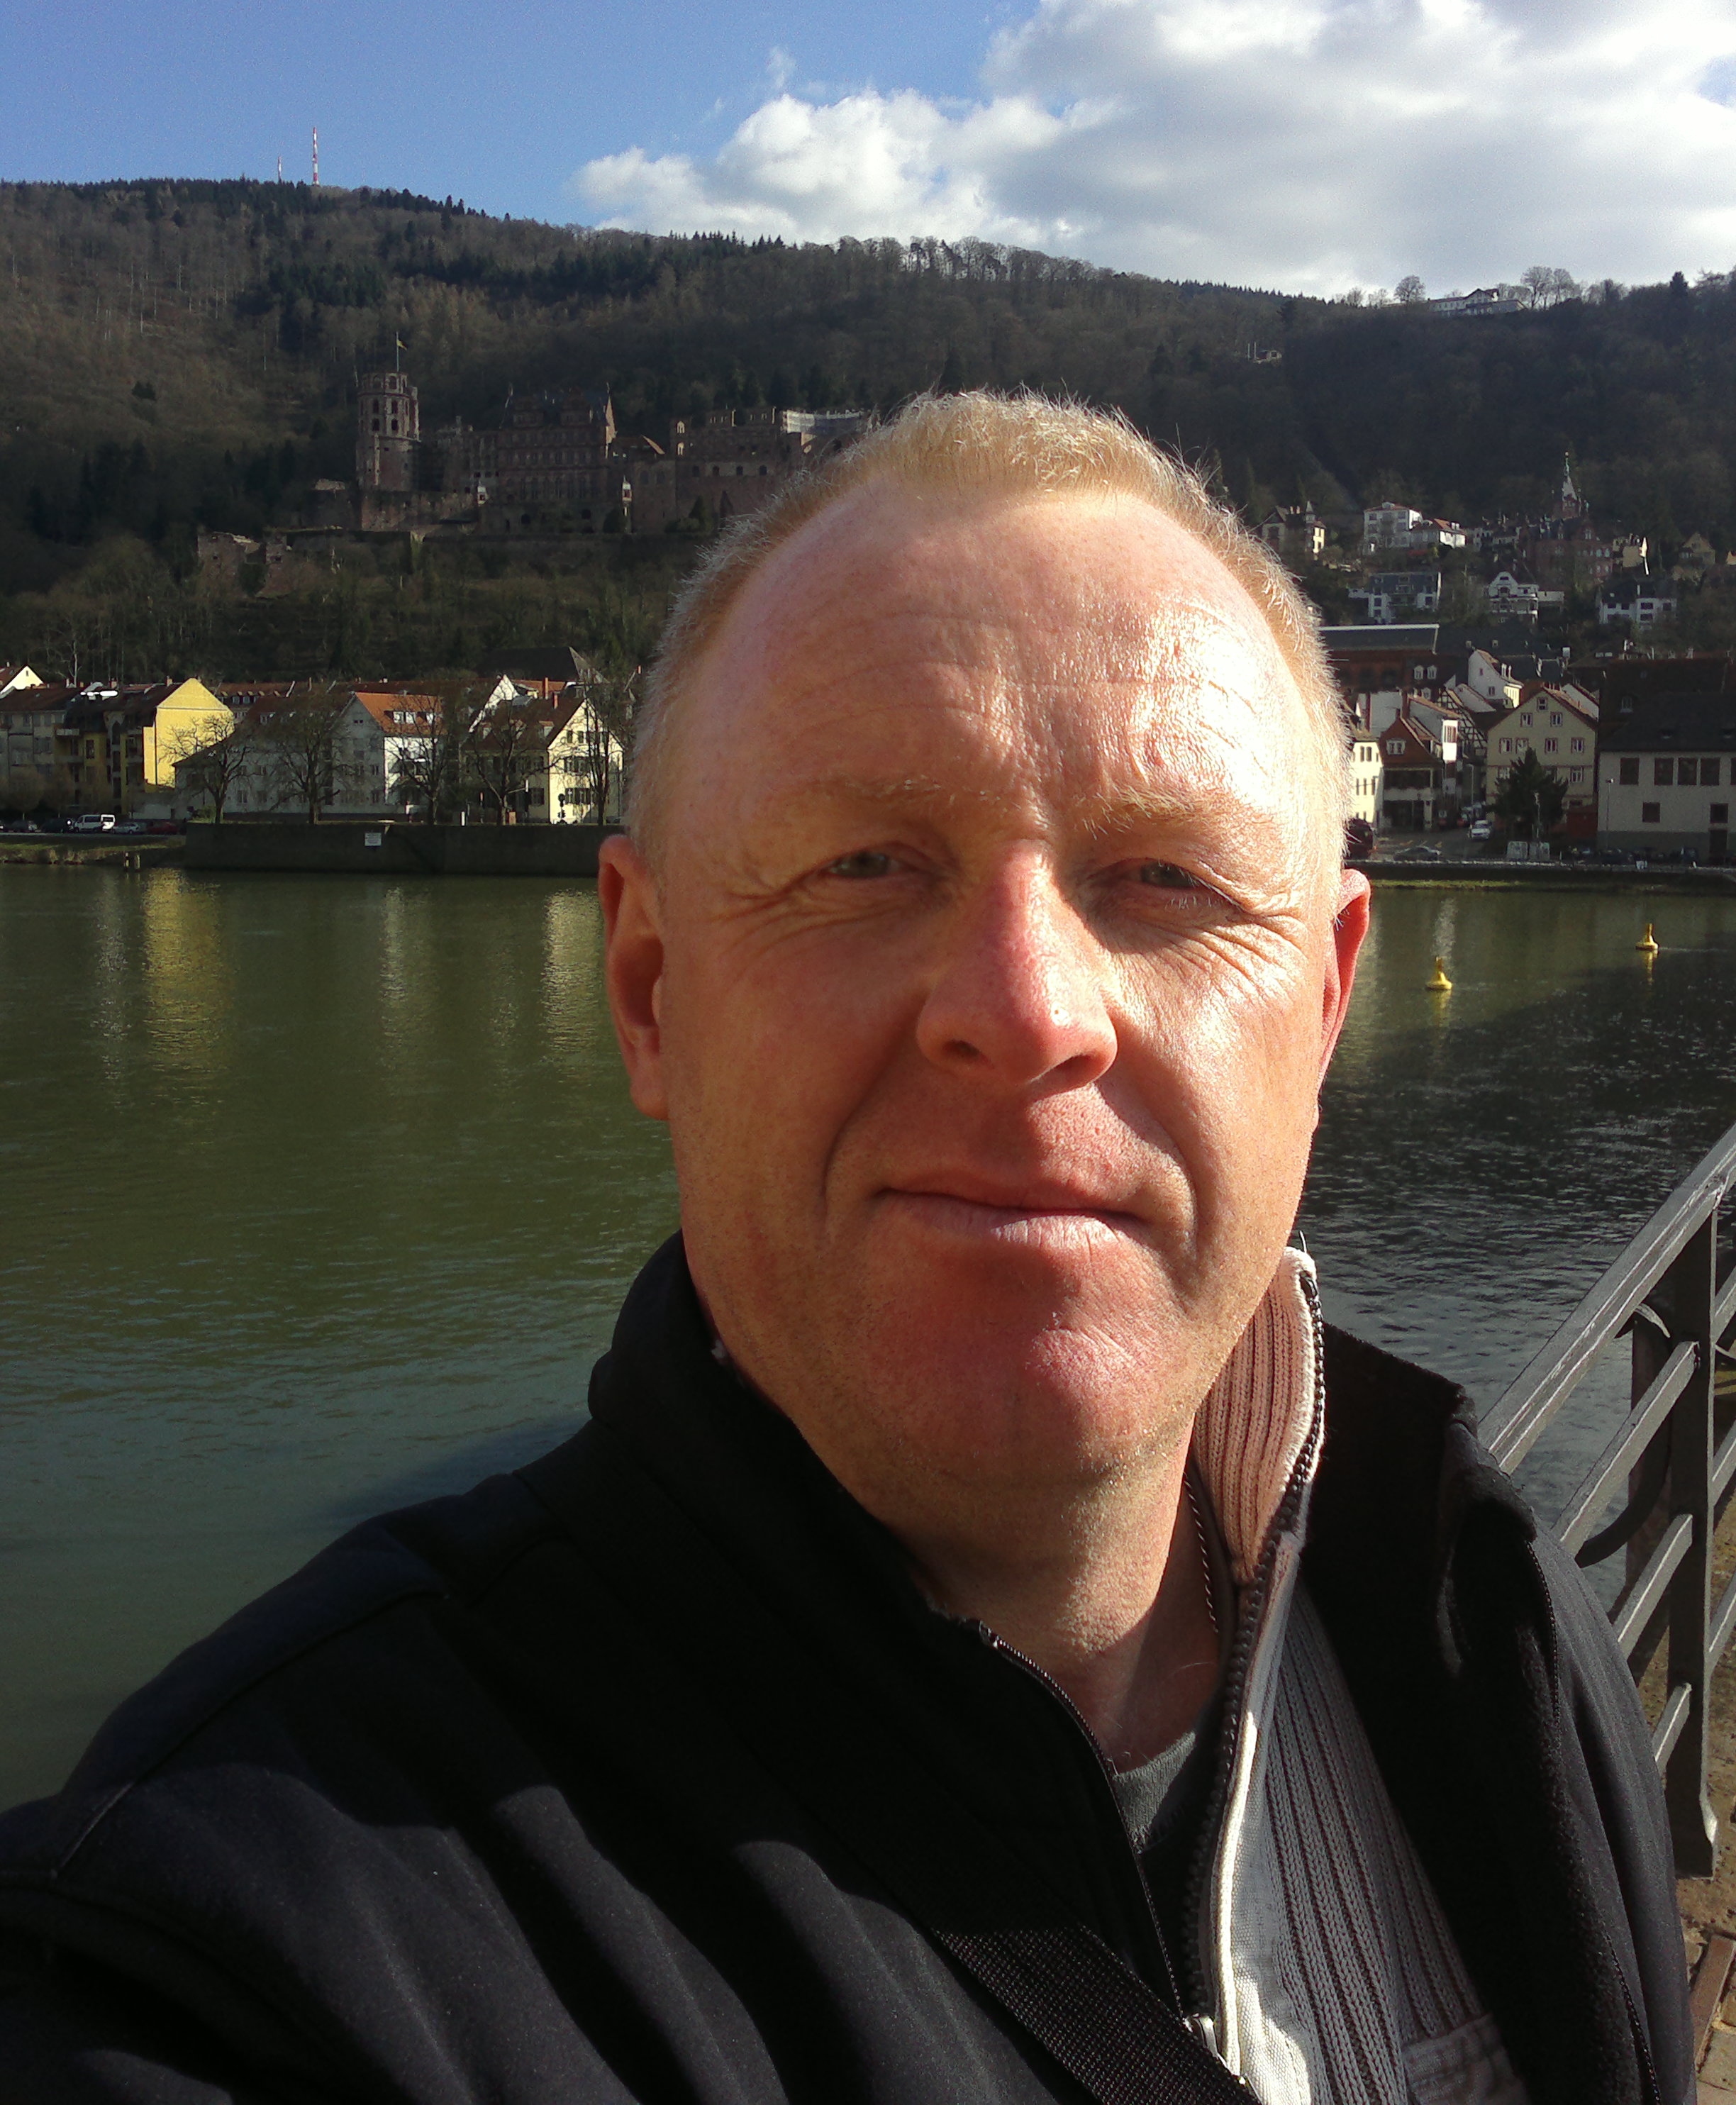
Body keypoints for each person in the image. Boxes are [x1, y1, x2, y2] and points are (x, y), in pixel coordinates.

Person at [0, 395, 1691, 2105]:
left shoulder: (1500, 1642)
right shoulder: (238, 1945)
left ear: (1322, 1009)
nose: (1028, 1011)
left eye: (1167, 879)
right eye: (868, 863)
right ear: (650, 991)